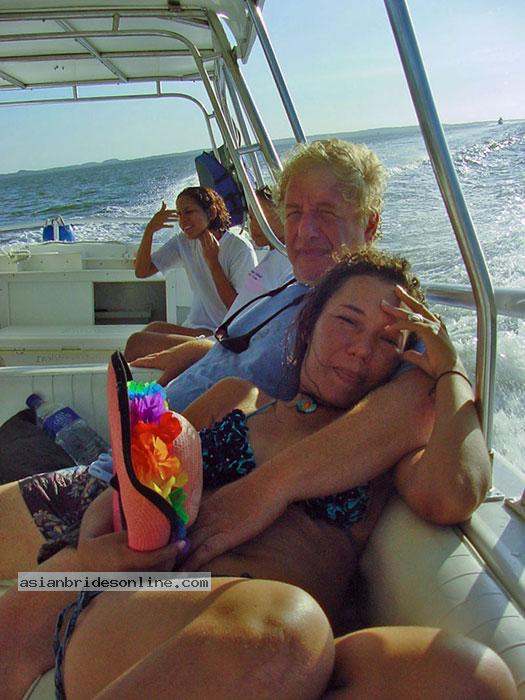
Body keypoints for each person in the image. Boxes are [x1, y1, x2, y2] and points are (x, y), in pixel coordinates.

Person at [45, 251, 515, 699]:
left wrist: (450, 370)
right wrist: (92, 543)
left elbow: (454, 493)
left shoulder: (383, 455)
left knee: (473, 678)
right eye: (347, 321)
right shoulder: (235, 399)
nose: (360, 350)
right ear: (309, 323)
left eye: (388, 340)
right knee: (286, 632)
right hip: (156, 616)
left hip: (284, 661)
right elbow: (133, 481)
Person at [125, 186, 257, 361]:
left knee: (137, 343)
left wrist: (213, 262)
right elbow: (142, 271)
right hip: (197, 329)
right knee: (153, 329)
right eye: (179, 214)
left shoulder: (239, 248)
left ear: (212, 212)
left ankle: (130, 380)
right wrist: (150, 230)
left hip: (224, 335)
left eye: (188, 212)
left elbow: (239, 310)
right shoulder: (184, 242)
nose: (182, 221)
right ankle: (135, 380)